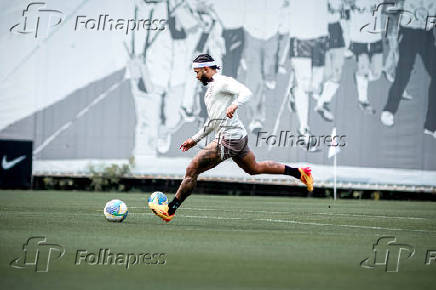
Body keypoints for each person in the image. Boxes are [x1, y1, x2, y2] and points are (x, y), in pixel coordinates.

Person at [148, 54, 314, 222]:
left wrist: (235, 104)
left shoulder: (222, 82)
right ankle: (299, 173)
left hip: (229, 139)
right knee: (254, 168)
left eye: (197, 72)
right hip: (237, 137)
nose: (196, 76)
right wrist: (195, 139)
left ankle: (170, 210)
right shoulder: (211, 91)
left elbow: (246, 92)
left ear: (206, 69)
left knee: (192, 169)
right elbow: (213, 121)